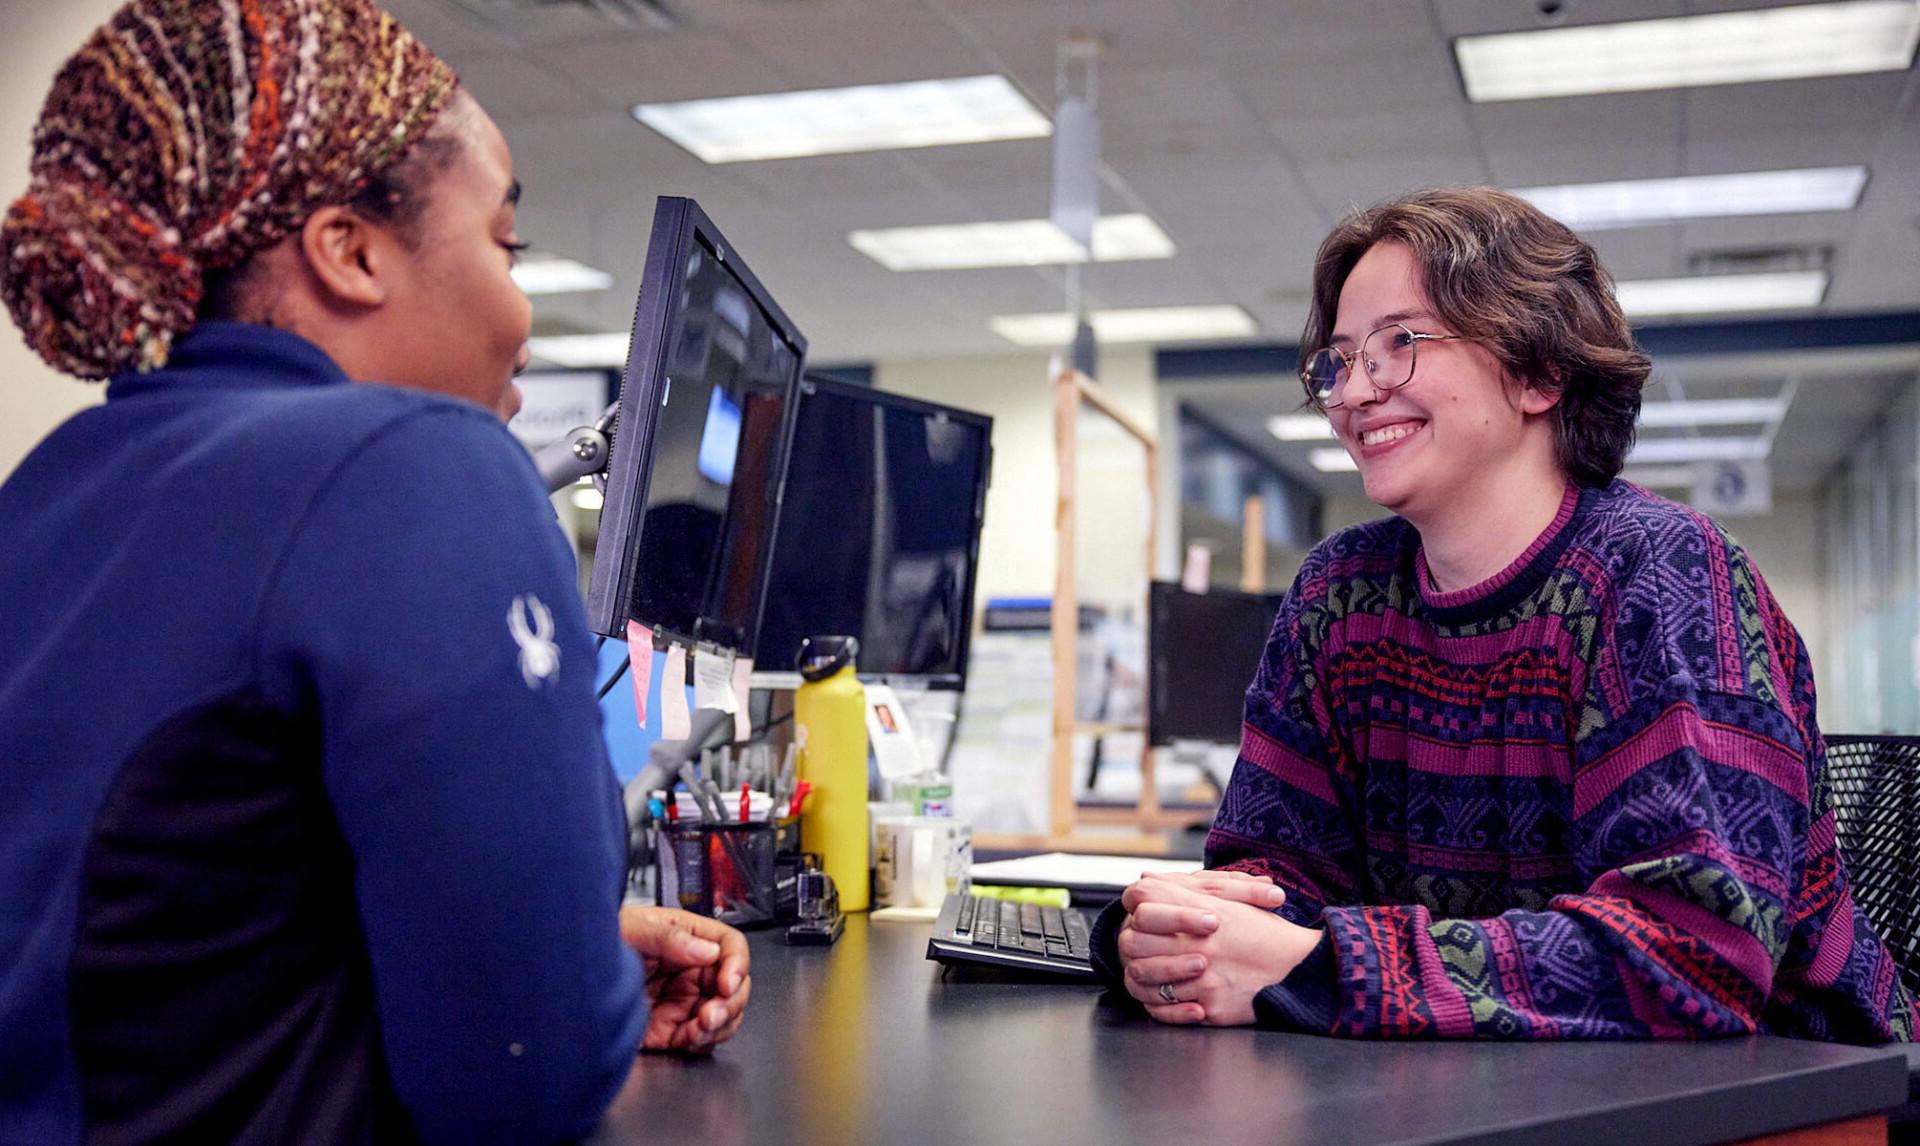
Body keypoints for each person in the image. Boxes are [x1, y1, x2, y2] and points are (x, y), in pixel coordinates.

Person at [0, 2, 750, 1143]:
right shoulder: (420, 462)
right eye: (508, 248)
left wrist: (568, 950)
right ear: (350, 252)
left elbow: (176, 939)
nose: (526, 325)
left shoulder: (56, 483)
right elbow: (522, 1078)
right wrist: (576, 990)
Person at [1092, 186, 1912, 1045]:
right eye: (1339, 360)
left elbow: (1693, 952)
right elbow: (1274, 874)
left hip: (1794, 1095)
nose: (1354, 392)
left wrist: (1318, 963)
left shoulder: (1661, 577)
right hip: (1481, 1087)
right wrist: (1178, 936)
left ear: (1541, 371)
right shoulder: (1338, 595)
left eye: (1400, 343)